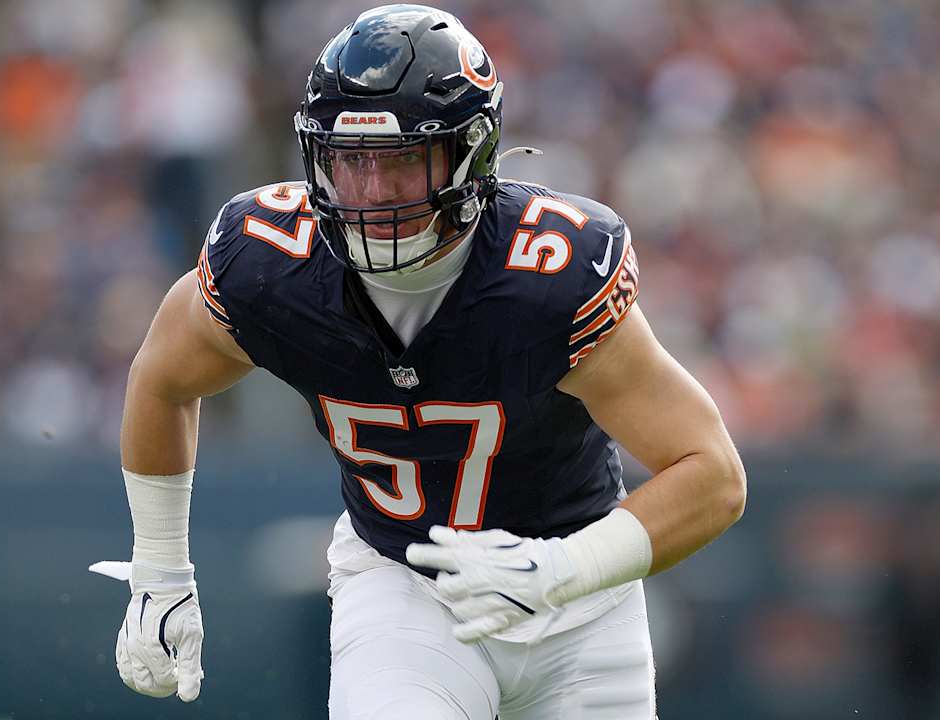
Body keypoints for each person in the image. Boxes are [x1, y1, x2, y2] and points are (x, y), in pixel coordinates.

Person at [95, 5, 746, 718]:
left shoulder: (547, 277)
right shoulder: (268, 265)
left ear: (472, 153)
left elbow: (712, 474)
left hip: (580, 605)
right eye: (352, 160)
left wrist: (562, 571)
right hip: (401, 583)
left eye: (403, 158)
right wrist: (160, 573)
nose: (374, 192)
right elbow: (161, 379)